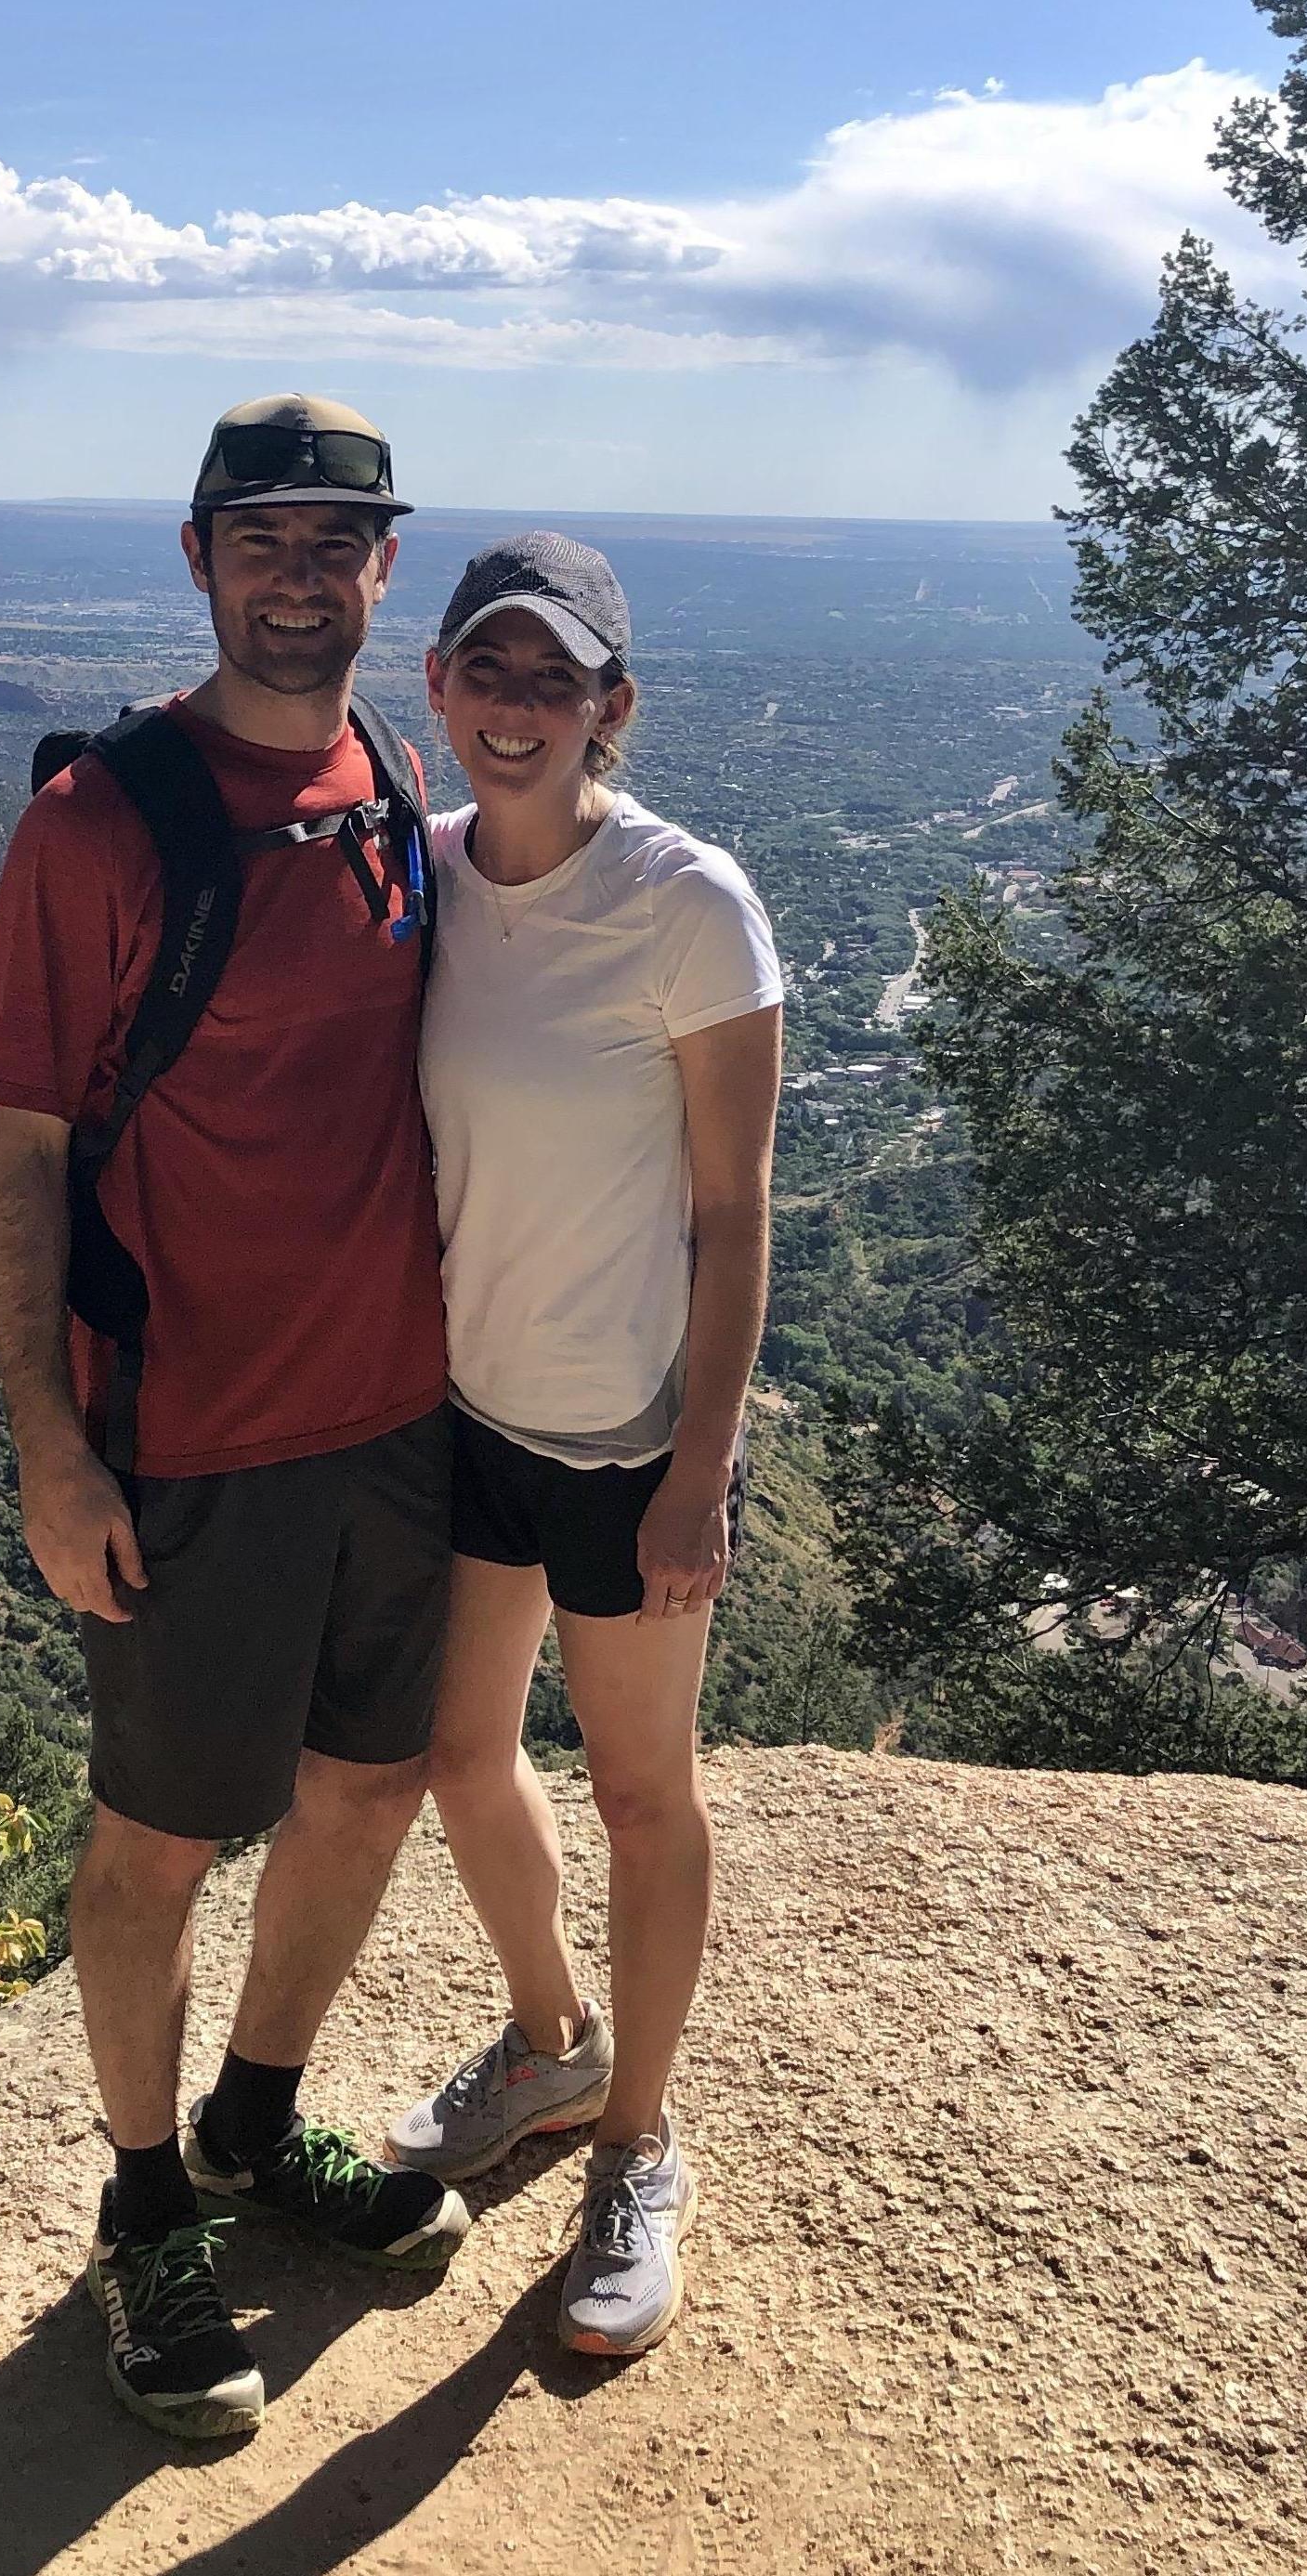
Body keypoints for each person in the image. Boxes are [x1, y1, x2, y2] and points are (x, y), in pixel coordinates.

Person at [0, 395, 467, 2442]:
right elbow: (14, 1154)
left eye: (333, 539)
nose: (295, 570)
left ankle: (259, 2126)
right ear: (195, 558)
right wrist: (48, 1442)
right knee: (159, 1839)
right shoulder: (99, 824)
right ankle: (147, 2202)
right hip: (188, 1437)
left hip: (403, 1417)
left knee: (367, 1790)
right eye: (257, 534)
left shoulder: (395, 779)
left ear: (382, 566)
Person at [386, 533, 783, 2358]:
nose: (520, 708)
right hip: (469, 1410)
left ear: (612, 705)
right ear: (442, 691)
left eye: (558, 679)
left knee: (641, 1797)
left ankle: (640, 2148)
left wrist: (702, 1464)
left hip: (627, 1437)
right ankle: (554, 2051)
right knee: (462, 1757)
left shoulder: (691, 904)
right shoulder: (433, 876)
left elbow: (732, 1209)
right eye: (492, 672)